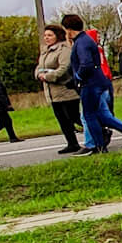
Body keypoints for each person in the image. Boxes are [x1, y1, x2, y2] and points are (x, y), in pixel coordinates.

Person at [64, 13, 122, 153]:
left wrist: (77, 77)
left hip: (90, 84)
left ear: (68, 29)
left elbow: (86, 64)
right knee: (101, 114)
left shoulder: (81, 42)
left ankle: (99, 146)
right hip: (98, 81)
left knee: (89, 115)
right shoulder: (85, 40)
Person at [33, 24, 83, 154]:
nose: (46, 38)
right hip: (52, 93)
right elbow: (39, 66)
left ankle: (101, 131)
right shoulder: (45, 51)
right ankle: (72, 143)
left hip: (66, 91)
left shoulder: (64, 49)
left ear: (57, 36)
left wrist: (48, 76)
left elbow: (64, 67)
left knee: (75, 117)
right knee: (62, 119)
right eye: (45, 35)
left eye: (50, 35)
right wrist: (39, 75)